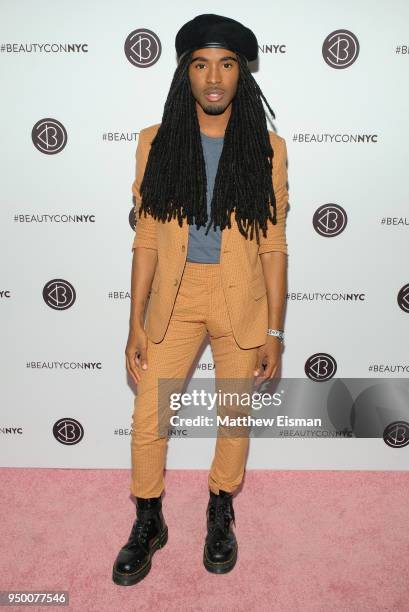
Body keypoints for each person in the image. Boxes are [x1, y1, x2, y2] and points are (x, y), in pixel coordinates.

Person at [112, 13, 289, 586]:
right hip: (176, 297)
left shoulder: (268, 150)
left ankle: (219, 508)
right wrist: (135, 322)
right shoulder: (155, 143)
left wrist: (276, 332)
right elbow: (145, 238)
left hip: (243, 300)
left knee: (233, 418)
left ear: (243, 74)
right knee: (148, 418)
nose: (214, 77)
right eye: (201, 64)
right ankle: (149, 518)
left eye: (227, 64)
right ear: (185, 73)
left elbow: (274, 247)